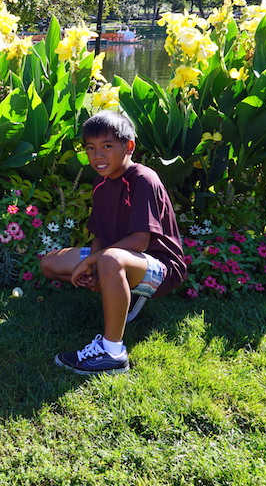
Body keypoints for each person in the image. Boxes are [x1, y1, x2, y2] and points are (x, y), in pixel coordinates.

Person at [39, 110, 186, 375]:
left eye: (107, 146)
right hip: (117, 257)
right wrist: (92, 268)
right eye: (91, 148)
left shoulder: (143, 179)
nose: (98, 156)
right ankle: (111, 288)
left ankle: (113, 351)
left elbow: (140, 241)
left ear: (128, 147)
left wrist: (96, 261)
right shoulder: (100, 184)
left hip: (159, 266)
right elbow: (100, 236)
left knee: (108, 259)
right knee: (50, 263)